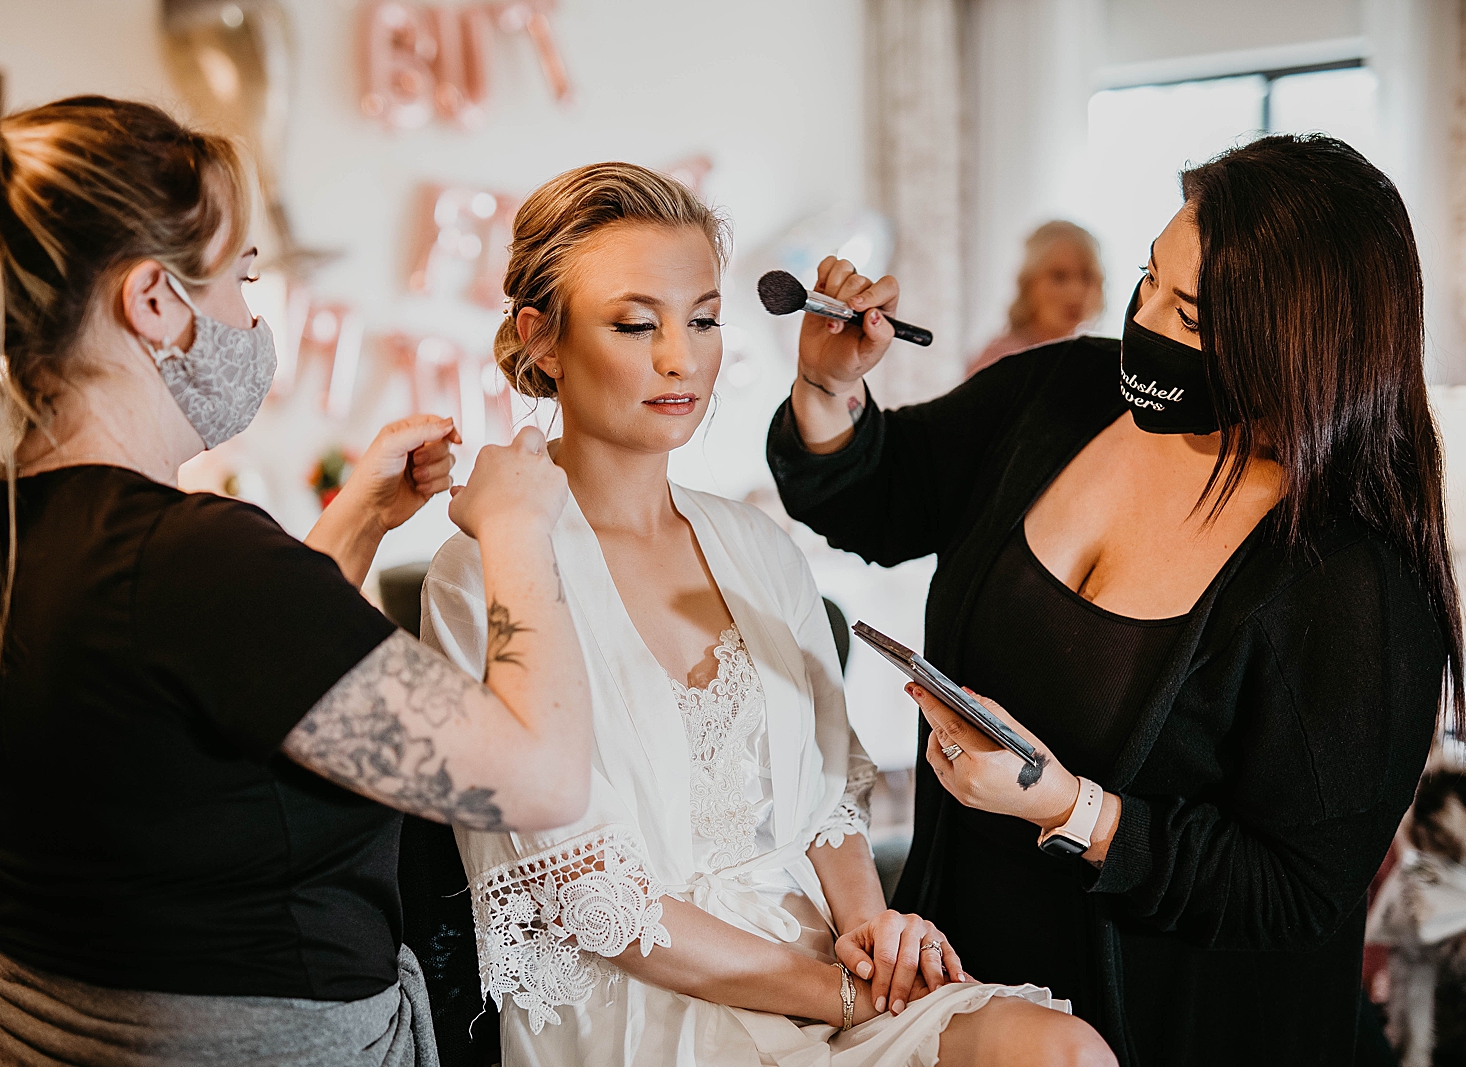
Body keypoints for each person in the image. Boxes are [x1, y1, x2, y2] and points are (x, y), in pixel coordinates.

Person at [0, 97, 590, 1067]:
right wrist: (516, 526)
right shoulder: (192, 559)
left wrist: (358, 520)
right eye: (244, 279)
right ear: (155, 300)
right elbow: (539, 778)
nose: (252, 317)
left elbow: (228, 692)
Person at [765, 133, 1458, 1067]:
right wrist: (828, 384)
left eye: (1192, 313)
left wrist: (1073, 808)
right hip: (963, 995)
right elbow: (873, 497)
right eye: (1148, 278)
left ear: (1298, 346)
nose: (1147, 320)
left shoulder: (1349, 576)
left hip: (1166, 1029)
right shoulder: (1059, 393)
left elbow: (1295, 892)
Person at [420, 162, 1113, 1067]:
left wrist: (873, 934)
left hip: (821, 964)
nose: (681, 358)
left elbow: (827, 801)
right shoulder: (484, 570)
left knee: (1061, 1051)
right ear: (540, 339)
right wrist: (829, 987)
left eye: (703, 319)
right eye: (637, 324)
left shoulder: (758, 545)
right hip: (640, 1004)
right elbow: (586, 893)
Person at [966, 220, 1103, 377]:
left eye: (1086, 276)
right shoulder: (1000, 361)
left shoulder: (1095, 359)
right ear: (1029, 283)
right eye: (1059, 277)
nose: (1076, 292)